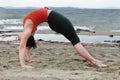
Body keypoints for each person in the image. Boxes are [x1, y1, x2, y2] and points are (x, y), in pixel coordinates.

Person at [19, 7, 107, 69]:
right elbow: (23, 46)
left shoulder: (28, 28)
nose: (19, 38)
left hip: (54, 20)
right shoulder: (28, 28)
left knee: (75, 40)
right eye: (20, 38)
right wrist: (23, 64)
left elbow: (27, 45)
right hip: (55, 20)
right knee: (76, 42)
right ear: (27, 36)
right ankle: (94, 61)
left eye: (19, 38)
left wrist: (29, 59)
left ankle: (91, 60)